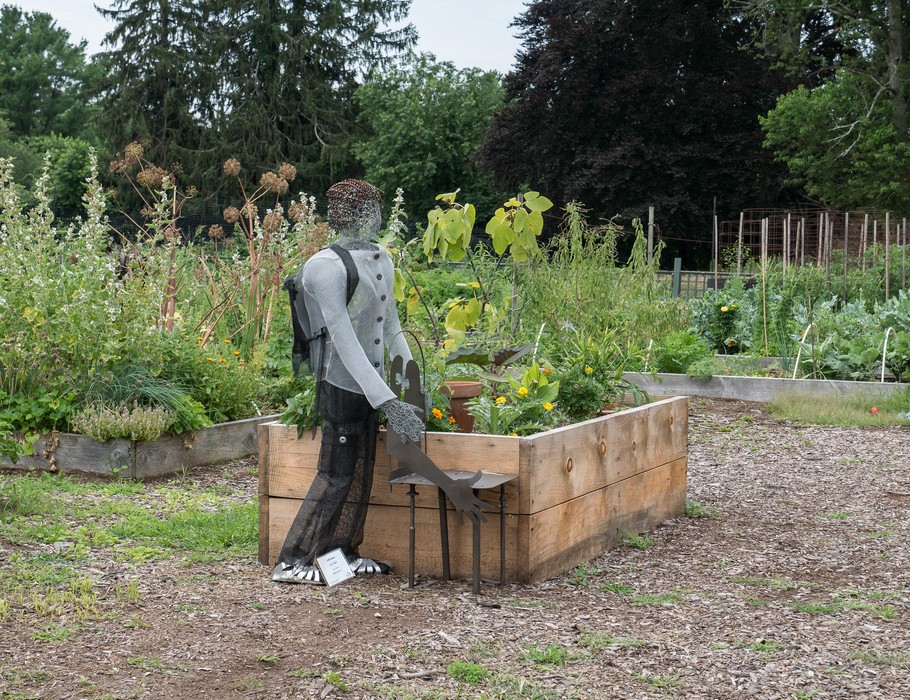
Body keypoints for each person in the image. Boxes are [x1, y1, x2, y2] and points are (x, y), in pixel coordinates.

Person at [272, 179, 483, 585]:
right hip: (342, 384)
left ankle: (342, 552)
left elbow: (392, 327)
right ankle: (291, 560)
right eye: (375, 209)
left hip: (373, 383)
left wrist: (410, 377)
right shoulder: (324, 268)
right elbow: (342, 336)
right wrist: (388, 400)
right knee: (334, 473)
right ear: (357, 214)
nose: (381, 217)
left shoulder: (380, 257)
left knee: (362, 469)